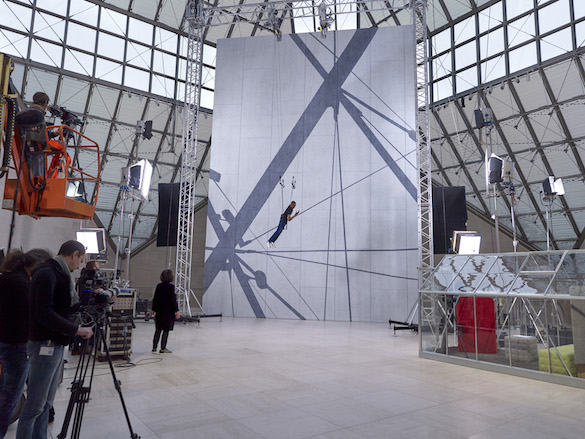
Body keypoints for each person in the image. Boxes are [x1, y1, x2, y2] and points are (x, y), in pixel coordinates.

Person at [16, 241, 93, 439]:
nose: (79, 266)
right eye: (80, 260)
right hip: (45, 344)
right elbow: (43, 312)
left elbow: (62, 308)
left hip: (56, 343)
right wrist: (75, 329)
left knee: (46, 405)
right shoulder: (47, 273)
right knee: (34, 406)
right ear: (74, 254)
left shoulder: (57, 273)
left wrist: (91, 301)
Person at [0, 248, 52, 438]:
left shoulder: (10, 277)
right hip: (16, 344)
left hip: (6, 341)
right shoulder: (20, 283)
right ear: (36, 265)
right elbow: (26, 316)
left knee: (5, 392)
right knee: (10, 398)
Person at [152, 269, 180, 354]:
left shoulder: (159, 286)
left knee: (158, 330)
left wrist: (154, 309)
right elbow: (173, 300)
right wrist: (177, 310)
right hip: (168, 313)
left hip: (159, 312)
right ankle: (163, 348)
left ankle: (154, 347)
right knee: (166, 330)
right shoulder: (171, 287)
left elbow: (155, 298)